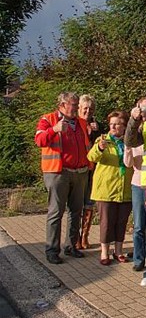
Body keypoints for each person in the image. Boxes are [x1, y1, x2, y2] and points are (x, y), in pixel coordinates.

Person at [35, 92, 90, 264]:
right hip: (58, 172)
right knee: (55, 212)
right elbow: (39, 140)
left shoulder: (81, 122)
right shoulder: (48, 119)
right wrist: (54, 130)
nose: (76, 108)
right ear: (62, 104)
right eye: (73, 105)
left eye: (76, 105)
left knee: (76, 211)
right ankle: (52, 250)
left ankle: (71, 246)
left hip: (80, 172)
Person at [88, 111, 134, 265]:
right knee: (107, 222)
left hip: (125, 188)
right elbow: (91, 157)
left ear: (124, 126)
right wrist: (100, 148)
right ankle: (104, 252)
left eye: (117, 124)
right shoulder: (103, 140)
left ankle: (118, 251)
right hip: (106, 189)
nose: (114, 127)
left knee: (121, 222)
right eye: (112, 124)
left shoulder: (130, 141)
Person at [124, 96, 146, 286]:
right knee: (139, 226)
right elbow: (129, 140)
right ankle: (139, 260)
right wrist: (133, 119)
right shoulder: (137, 127)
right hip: (139, 182)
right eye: (142, 107)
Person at [75, 94, 101, 250]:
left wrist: (96, 133)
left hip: (92, 169)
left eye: (90, 109)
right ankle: (75, 237)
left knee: (89, 203)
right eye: (85, 108)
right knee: (77, 204)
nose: (88, 111)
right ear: (79, 108)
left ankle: (85, 236)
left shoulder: (97, 125)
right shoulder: (74, 123)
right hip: (78, 169)